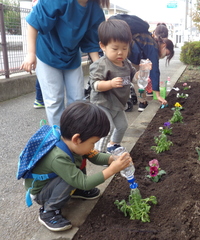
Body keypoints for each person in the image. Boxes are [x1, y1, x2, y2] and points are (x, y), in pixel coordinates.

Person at [24, 101, 133, 232]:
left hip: (54, 179)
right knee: (71, 178)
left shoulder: (74, 143)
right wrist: (112, 169)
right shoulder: (58, 157)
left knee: (78, 163)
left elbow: (96, 156)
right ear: (77, 139)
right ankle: (49, 211)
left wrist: (113, 159)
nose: (93, 147)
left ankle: (76, 191)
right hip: (42, 192)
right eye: (93, 143)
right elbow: (84, 182)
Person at [20, 0, 109, 126]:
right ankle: (59, 140)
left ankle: (75, 137)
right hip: (47, 53)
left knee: (78, 100)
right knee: (54, 101)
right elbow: (34, 21)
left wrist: (101, 70)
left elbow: (92, 42)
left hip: (72, 56)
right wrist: (30, 54)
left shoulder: (95, 9)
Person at [89, 19, 148, 153]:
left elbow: (133, 78)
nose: (120, 52)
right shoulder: (101, 65)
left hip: (118, 103)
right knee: (107, 128)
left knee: (122, 126)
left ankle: (113, 145)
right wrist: (110, 84)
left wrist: (143, 72)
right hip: (103, 103)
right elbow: (95, 85)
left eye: (124, 48)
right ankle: (98, 153)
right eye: (115, 49)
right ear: (103, 46)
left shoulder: (126, 63)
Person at [128, 24, 174, 112]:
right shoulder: (154, 47)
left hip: (132, 55)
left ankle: (140, 100)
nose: (164, 56)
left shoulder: (151, 40)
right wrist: (158, 95)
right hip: (131, 55)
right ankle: (141, 102)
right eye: (167, 54)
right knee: (140, 78)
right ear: (164, 45)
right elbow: (155, 71)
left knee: (138, 77)